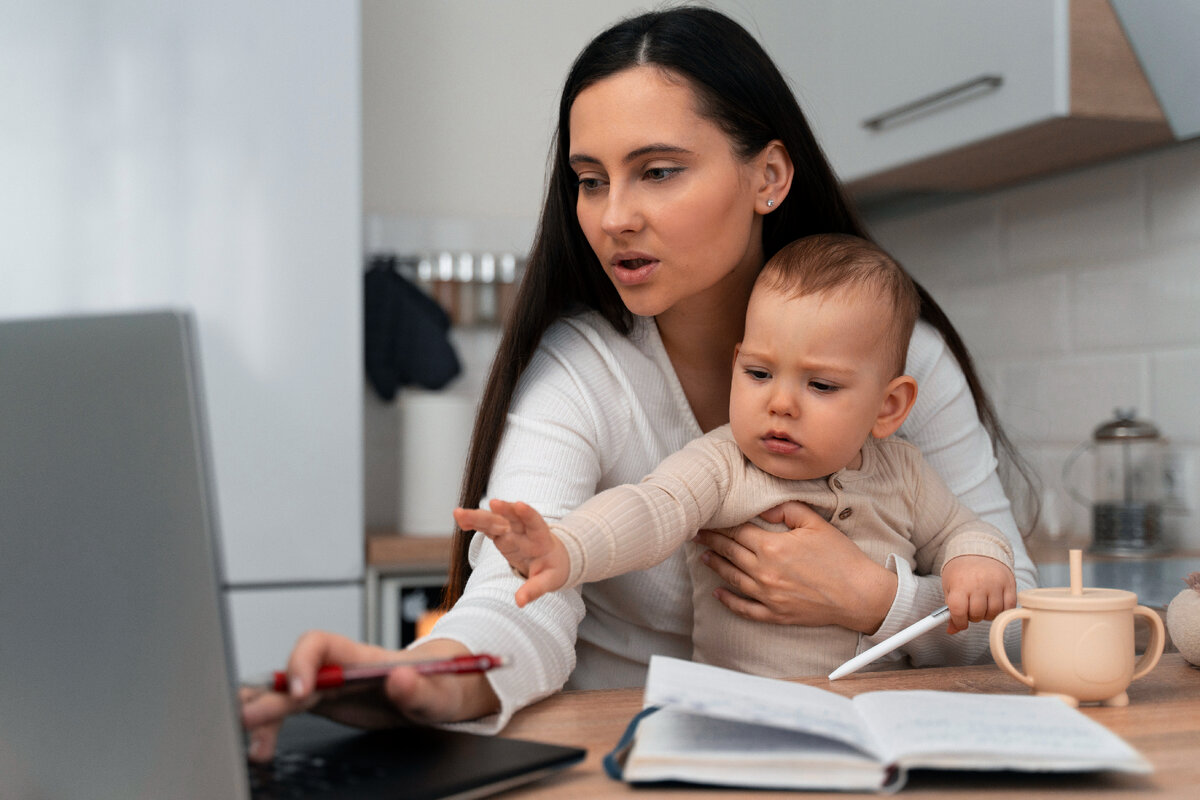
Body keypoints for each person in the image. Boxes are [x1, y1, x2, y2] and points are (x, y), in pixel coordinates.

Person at [241, 6, 1038, 760]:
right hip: (635, 759)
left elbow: (1023, 621)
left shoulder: (904, 361)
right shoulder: (582, 370)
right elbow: (520, 594)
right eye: (591, 180)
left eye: (657, 171)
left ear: (768, 177)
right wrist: (420, 678)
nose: (613, 216)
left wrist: (876, 600)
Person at [453, 233, 1017, 678]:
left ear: (889, 407)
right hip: (743, 712)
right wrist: (566, 548)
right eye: (758, 373)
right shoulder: (724, 463)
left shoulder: (906, 474)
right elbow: (650, 510)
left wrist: (976, 561)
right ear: (736, 364)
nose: (780, 404)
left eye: (821, 386)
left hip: (881, 715)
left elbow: (963, 530)